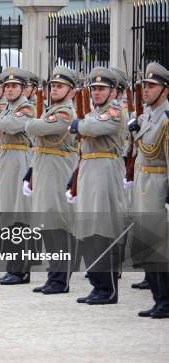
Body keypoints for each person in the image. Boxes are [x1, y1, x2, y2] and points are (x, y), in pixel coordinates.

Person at [69, 67, 126, 305]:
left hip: (105, 169)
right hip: (88, 169)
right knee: (89, 229)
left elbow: (93, 128)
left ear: (113, 91)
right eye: (94, 89)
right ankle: (97, 283)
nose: (97, 93)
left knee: (103, 228)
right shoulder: (93, 112)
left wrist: (79, 124)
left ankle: (108, 288)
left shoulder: (114, 111)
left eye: (102, 88)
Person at [25, 66, 78, 294]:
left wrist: (32, 124)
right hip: (45, 168)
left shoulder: (65, 112)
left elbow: (36, 127)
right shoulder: (51, 110)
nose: (54, 89)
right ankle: (52, 275)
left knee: (59, 225)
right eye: (53, 86)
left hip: (57, 170)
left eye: (60, 86)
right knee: (48, 225)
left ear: (71, 92)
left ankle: (61, 279)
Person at [126, 62, 169, 318]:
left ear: (165, 90)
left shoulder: (166, 119)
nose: (146, 90)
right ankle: (157, 299)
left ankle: (165, 301)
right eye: (145, 86)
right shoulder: (147, 117)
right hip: (143, 186)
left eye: (152, 86)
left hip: (157, 187)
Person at [0, 67, 34, 285]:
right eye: (7, 86)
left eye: (14, 86)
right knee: (6, 214)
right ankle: (11, 267)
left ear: (23, 88)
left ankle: (21, 270)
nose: (10, 89)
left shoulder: (26, 107)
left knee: (18, 215)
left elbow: (14, 126)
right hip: (5, 158)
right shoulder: (7, 109)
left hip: (18, 158)